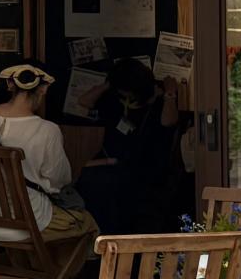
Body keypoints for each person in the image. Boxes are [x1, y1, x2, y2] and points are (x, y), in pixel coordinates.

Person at [0, 61, 99, 249]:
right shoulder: (47, 130)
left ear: (10, 84)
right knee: (87, 224)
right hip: (29, 221)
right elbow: (60, 180)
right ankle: (49, 268)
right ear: (44, 88)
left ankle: (25, 264)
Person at [76, 57, 185, 233]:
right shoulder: (115, 99)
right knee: (92, 185)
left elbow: (168, 121)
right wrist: (107, 84)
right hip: (110, 164)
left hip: (142, 171)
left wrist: (170, 93)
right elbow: (84, 101)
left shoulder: (158, 100)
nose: (126, 96)